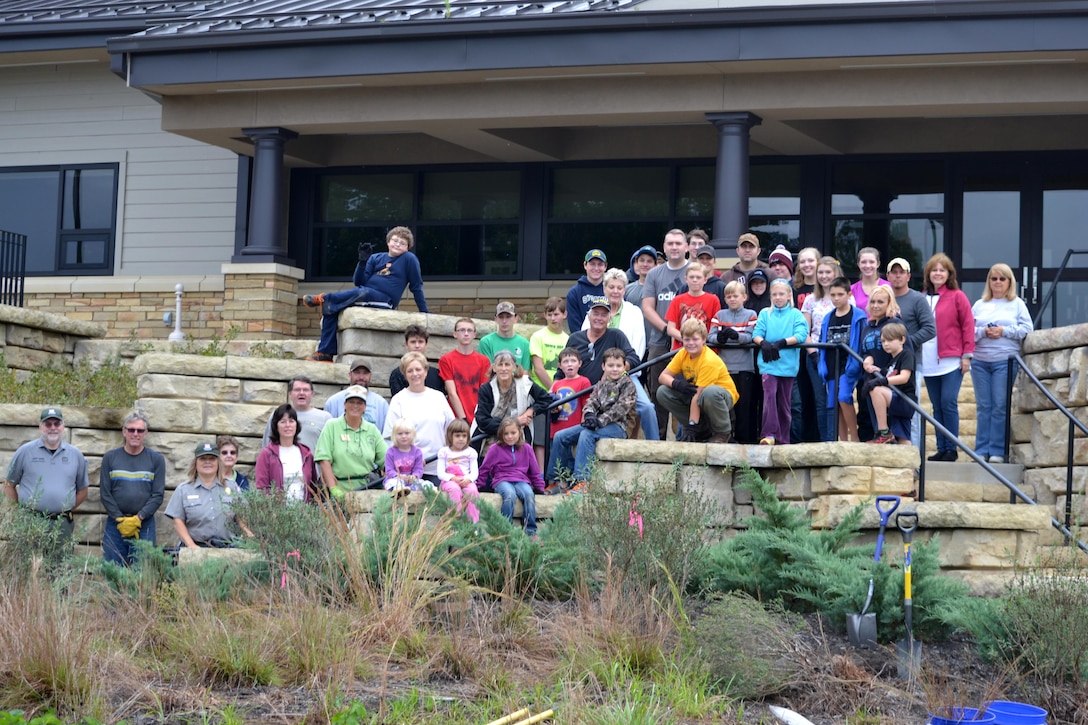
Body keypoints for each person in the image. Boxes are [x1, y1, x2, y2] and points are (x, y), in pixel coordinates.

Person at [303, 226, 428, 362]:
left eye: (403, 243)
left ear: (408, 247)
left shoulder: (409, 259)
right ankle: (325, 352)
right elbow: (358, 281)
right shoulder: (376, 258)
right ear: (388, 241)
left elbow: (416, 286)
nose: (398, 244)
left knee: (359, 293)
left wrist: (424, 311)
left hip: (384, 301)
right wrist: (362, 262)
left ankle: (323, 298)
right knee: (332, 307)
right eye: (395, 240)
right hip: (365, 295)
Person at [548, 347, 639, 491]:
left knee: (587, 434)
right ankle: (557, 480)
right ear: (603, 366)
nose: (614, 369)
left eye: (618, 366)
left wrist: (599, 420)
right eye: (610, 365)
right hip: (598, 424)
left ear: (624, 366)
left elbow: (620, 409)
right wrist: (590, 414)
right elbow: (592, 401)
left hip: (619, 426)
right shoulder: (600, 384)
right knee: (561, 436)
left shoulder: (628, 385)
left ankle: (582, 481)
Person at [971, 264, 1033, 464]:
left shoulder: (1017, 304)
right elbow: (967, 332)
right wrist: (983, 332)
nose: (997, 282)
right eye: (994, 278)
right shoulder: (979, 304)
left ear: (1009, 282)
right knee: (983, 407)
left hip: (1004, 361)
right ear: (989, 281)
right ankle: (981, 450)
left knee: (999, 406)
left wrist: (1003, 331)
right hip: (980, 362)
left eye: (1002, 279)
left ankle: (997, 451)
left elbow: (1027, 329)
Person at [586, 268, 657, 441]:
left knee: (646, 407)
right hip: (597, 375)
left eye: (619, 287)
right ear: (604, 289)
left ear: (625, 290)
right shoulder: (595, 312)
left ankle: (655, 443)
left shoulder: (634, 312)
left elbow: (638, 347)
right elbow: (586, 342)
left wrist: (618, 372)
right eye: (611, 287)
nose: (615, 291)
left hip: (625, 374)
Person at [4, 407, 89, 549]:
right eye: (48, 424)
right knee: (27, 566)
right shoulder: (25, 452)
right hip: (31, 522)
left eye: (57, 423)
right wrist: (20, 512)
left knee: (59, 568)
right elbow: (8, 485)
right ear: (40, 427)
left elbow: (83, 491)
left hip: (62, 525)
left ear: (63, 427)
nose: (53, 428)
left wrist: (64, 509)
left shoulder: (75, 455)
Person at [921, 253, 975, 462]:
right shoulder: (922, 297)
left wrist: (967, 355)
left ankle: (951, 447)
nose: (938, 273)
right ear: (928, 273)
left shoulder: (957, 296)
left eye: (942, 270)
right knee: (936, 405)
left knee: (948, 402)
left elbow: (968, 325)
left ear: (949, 273)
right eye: (934, 270)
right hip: (927, 360)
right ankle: (941, 447)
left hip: (951, 359)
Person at [641, 228, 690, 439]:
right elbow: (647, 308)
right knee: (657, 392)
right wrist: (666, 329)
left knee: (688, 390)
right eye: (670, 243)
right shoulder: (654, 274)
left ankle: (688, 437)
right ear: (664, 247)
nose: (674, 247)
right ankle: (658, 440)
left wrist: (682, 335)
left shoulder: (694, 271)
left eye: (679, 243)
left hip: (690, 344)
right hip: (660, 343)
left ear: (686, 247)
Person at [99, 412, 165, 566]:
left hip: (144, 525)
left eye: (140, 430)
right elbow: (105, 493)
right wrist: (119, 519)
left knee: (142, 572)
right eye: (131, 430)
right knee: (113, 570)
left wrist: (139, 518)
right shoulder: (110, 458)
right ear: (124, 431)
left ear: (145, 433)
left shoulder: (156, 459)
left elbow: (157, 495)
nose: (135, 433)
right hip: (115, 524)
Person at [659, 319, 739, 444]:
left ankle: (723, 433)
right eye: (687, 339)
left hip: (720, 397)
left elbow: (698, 395)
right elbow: (663, 376)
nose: (691, 343)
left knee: (709, 393)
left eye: (695, 339)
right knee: (663, 392)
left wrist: (691, 426)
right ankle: (700, 429)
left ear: (703, 340)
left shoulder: (709, 360)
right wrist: (677, 384)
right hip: (698, 394)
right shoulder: (683, 354)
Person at [752, 278, 809, 445]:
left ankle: (783, 438)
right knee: (769, 397)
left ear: (789, 295)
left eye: (781, 294)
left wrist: (782, 343)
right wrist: (763, 343)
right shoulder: (765, 313)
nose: (778, 297)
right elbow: (756, 333)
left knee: (784, 403)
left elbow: (801, 334)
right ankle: (768, 434)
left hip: (788, 365)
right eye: (774, 294)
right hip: (768, 364)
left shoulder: (795, 314)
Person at [887, 257, 936, 447]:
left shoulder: (917, 299)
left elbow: (930, 328)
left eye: (902, 272)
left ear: (908, 276)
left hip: (911, 363)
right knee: (889, 411)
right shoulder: (885, 297)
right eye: (894, 272)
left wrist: (907, 344)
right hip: (888, 365)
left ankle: (914, 460)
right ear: (888, 275)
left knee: (910, 412)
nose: (897, 276)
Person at [166, 442, 252, 549]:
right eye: (203, 458)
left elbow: (242, 515)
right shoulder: (183, 490)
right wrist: (191, 545)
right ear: (195, 463)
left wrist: (247, 534)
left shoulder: (232, 486)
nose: (207, 462)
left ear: (218, 462)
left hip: (228, 550)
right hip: (196, 549)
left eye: (212, 458)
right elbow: (178, 521)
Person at [384, 352, 455, 480]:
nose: (415, 374)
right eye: (410, 371)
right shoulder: (398, 400)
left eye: (418, 369)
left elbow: (451, 430)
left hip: (437, 468)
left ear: (426, 371)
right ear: (405, 374)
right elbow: (390, 437)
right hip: (408, 473)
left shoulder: (438, 397)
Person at [800, 256, 848, 441]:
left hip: (838, 355)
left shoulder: (845, 299)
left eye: (828, 272)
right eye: (821, 272)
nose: (824, 276)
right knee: (821, 401)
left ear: (836, 273)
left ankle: (837, 438)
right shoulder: (811, 300)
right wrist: (813, 353)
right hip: (815, 354)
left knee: (837, 399)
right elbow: (805, 329)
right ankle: (825, 440)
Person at [477, 416, 545, 538]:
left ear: (519, 432)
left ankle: (530, 531)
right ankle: (505, 530)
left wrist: (540, 488)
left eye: (513, 433)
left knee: (529, 495)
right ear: (501, 435)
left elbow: (535, 471)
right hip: (501, 480)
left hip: (521, 480)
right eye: (506, 434)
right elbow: (485, 468)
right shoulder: (494, 449)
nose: (510, 436)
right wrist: (479, 486)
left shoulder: (527, 448)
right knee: (509, 495)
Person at [819, 277, 868, 442]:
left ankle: (854, 437)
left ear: (849, 294)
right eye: (832, 295)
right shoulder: (827, 318)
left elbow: (861, 340)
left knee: (844, 397)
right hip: (832, 364)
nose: (836, 298)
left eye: (840, 294)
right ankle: (843, 440)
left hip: (849, 364)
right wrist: (822, 364)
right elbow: (822, 342)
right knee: (834, 403)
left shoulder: (858, 316)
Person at [711, 280, 759, 444]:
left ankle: (745, 440)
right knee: (726, 406)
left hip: (745, 367)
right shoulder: (719, 315)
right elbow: (709, 336)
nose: (732, 299)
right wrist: (719, 337)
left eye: (735, 296)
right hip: (724, 368)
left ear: (744, 297)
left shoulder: (751, 314)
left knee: (744, 407)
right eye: (728, 296)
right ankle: (727, 438)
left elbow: (751, 337)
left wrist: (736, 336)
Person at [473, 349, 551, 449]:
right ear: (494, 368)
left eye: (507, 364)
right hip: (490, 438)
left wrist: (531, 411)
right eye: (500, 365)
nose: (503, 369)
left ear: (514, 367)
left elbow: (546, 399)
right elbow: (482, 420)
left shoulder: (525, 383)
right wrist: (515, 422)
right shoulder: (486, 389)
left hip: (519, 438)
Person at [317, 385, 387, 496]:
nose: (355, 406)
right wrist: (333, 488)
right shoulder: (332, 426)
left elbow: (386, 460)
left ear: (365, 407)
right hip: (339, 490)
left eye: (359, 403)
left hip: (367, 490)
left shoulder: (372, 430)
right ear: (345, 404)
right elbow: (324, 459)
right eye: (351, 402)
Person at [857, 286, 905, 442]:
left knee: (895, 430)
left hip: (890, 381)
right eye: (872, 302)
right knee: (876, 426)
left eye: (880, 302)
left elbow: (905, 352)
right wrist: (867, 358)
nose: (875, 305)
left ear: (889, 303)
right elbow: (865, 350)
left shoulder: (894, 323)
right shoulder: (867, 327)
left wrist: (887, 372)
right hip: (870, 381)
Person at [862, 323, 917, 445]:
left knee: (876, 389)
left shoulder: (906, 354)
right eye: (883, 341)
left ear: (902, 339)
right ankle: (910, 464)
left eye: (890, 340)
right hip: (896, 400)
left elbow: (904, 377)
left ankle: (883, 432)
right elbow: (887, 374)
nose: (886, 344)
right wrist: (877, 372)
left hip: (905, 400)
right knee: (903, 438)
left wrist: (882, 381)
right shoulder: (891, 361)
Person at [256, 403, 319, 502]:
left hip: (304, 513)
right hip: (277, 514)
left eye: (291, 421)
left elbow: (313, 487)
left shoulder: (306, 454)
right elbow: (262, 488)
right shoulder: (267, 454)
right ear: (276, 426)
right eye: (283, 421)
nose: (288, 425)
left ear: (296, 425)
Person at [439, 318, 493, 422]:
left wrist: (480, 417)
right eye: (462, 330)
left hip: (478, 416)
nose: (466, 334)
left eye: (470, 330)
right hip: (456, 417)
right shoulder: (446, 360)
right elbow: (451, 393)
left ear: (474, 334)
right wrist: (463, 419)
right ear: (455, 334)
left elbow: (484, 391)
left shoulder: (483, 361)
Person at [261, 376, 331, 453]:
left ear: (312, 394)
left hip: (313, 464)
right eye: (297, 390)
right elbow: (267, 446)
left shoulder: (325, 418)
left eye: (306, 390)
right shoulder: (278, 415)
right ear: (290, 394)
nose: (301, 393)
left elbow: (332, 447)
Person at [666, 263, 721, 349]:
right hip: (681, 350)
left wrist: (697, 342)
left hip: (705, 350)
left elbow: (715, 328)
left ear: (705, 280)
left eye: (698, 277)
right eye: (691, 277)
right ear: (686, 279)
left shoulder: (713, 300)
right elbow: (670, 329)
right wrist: (689, 341)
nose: (695, 280)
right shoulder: (677, 300)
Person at [324, 357, 389, 431]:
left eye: (365, 373)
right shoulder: (333, 402)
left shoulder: (381, 404)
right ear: (350, 374)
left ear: (370, 376)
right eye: (357, 372)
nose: (361, 377)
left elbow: (387, 437)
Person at [437, 419, 480, 523]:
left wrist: (468, 479)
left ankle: (473, 522)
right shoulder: (444, 452)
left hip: (466, 480)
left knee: (473, 491)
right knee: (454, 489)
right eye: (457, 436)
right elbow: (440, 473)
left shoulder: (471, 452)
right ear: (450, 436)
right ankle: (455, 518)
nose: (461, 439)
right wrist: (452, 478)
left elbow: (475, 473)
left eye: (464, 436)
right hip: (450, 481)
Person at [388, 324, 445, 397]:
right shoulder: (397, 374)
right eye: (413, 342)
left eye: (420, 342)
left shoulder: (436, 374)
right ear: (406, 344)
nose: (417, 346)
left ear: (426, 344)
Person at [529, 296, 569, 392]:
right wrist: (553, 390)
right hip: (539, 390)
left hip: (562, 390)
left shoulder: (568, 339)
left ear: (564, 314)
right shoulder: (537, 336)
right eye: (549, 315)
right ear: (545, 315)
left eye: (556, 314)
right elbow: (538, 369)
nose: (553, 318)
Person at [566, 248, 609, 332]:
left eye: (600, 264)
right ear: (585, 265)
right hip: (583, 342)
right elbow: (574, 326)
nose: (596, 268)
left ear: (605, 266)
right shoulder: (574, 293)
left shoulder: (612, 291)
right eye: (592, 264)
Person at [478, 301, 531, 369]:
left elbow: (525, 372)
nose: (504, 321)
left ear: (516, 318)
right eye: (501, 317)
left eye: (508, 317)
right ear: (496, 319)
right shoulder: (486, 342)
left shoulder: (524, 344)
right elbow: (487, 371)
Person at [385, 419, 426, 493]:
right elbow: (389, 470)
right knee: (394, 484)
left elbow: (419, 469)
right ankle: (399, 492)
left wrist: (414, 476)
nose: (403, 436)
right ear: (394, 435)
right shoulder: (391, 451)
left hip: (411, 480)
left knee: (425, 484)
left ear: (413, 434)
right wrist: (399, 476)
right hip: (395, 479)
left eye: (407, 433)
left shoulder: (417, 451)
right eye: (400, 434)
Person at [851, 246, 891, 316]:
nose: (868, 265)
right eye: (863, 262)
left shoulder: (889, 287)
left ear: (878, 264)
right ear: (858, 264)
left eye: (871, 262)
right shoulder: (851, 289)